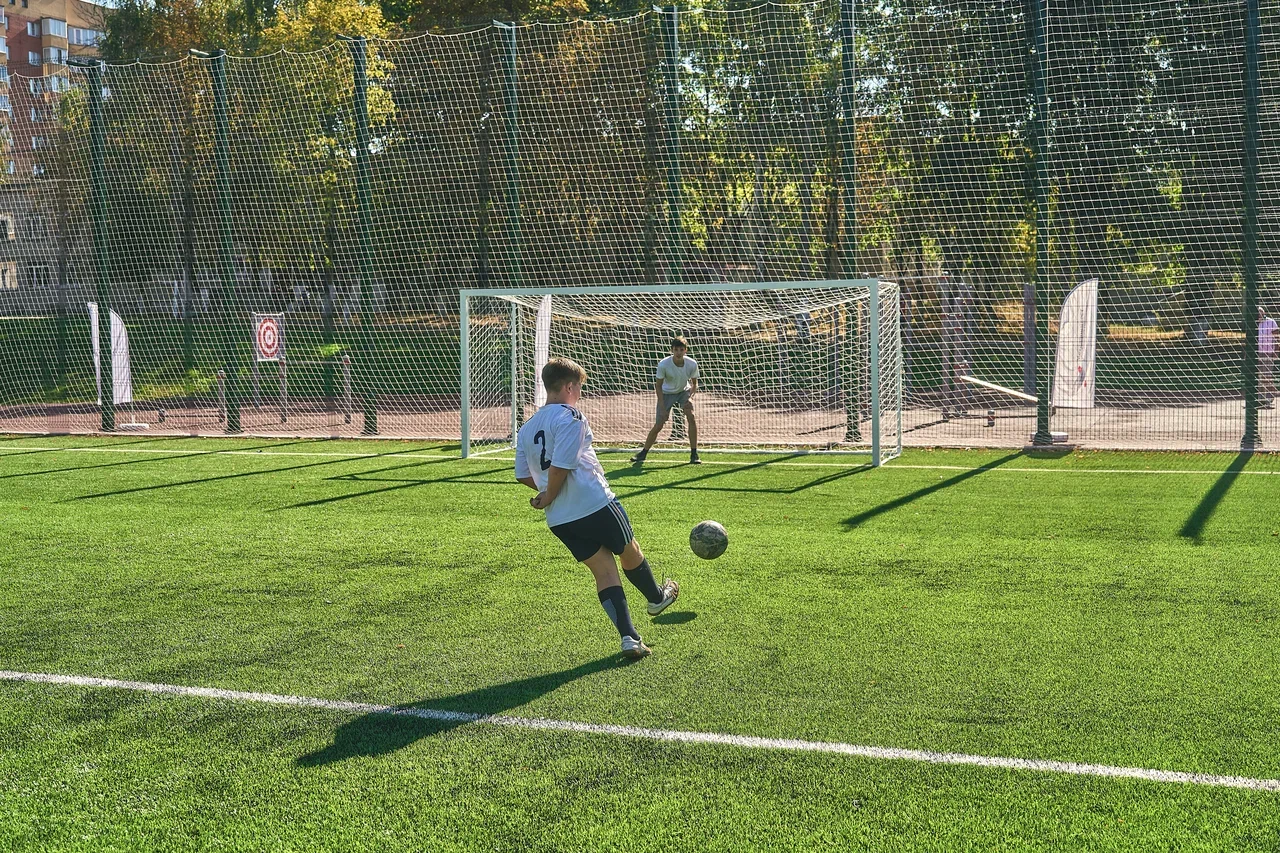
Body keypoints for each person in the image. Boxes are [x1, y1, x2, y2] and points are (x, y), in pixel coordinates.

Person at [516, 356, 680, 659]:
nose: (579, 393)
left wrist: (545, 496)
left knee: (604, 573)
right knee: (630, 550)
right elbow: (561, 467)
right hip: (594, 502)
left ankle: (629, 637)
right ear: (568, 386)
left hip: (561, 519)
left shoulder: (527, 428)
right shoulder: (571, 417)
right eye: (579, 387)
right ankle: (657, 598)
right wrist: (550, 493)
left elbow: (523, 475)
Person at [631, 336, 701, 465]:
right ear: (672, 350)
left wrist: (690, 399)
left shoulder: (692, 364)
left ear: (686, 350)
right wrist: (663, 408)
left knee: (691, 416)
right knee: (659, 424)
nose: (678, 352)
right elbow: (658, 386)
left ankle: (694, 453)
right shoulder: (664, 364)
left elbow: (694, 384)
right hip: (666, 393)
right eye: (676, 350)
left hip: (683, 391)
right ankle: (643, 453)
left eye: (681, 349)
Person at [1260, 307, 1278, 408]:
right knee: (1257, 377)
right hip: (1256, 353)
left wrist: (1276, 350)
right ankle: (1260, 399)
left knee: (1267, 375)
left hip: (1268, 352)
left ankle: (1269, 397)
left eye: (1260, 313)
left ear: (1264, 313)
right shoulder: (1252, 323)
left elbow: (1277, 337)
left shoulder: (1271, 322)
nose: (1258, 315)